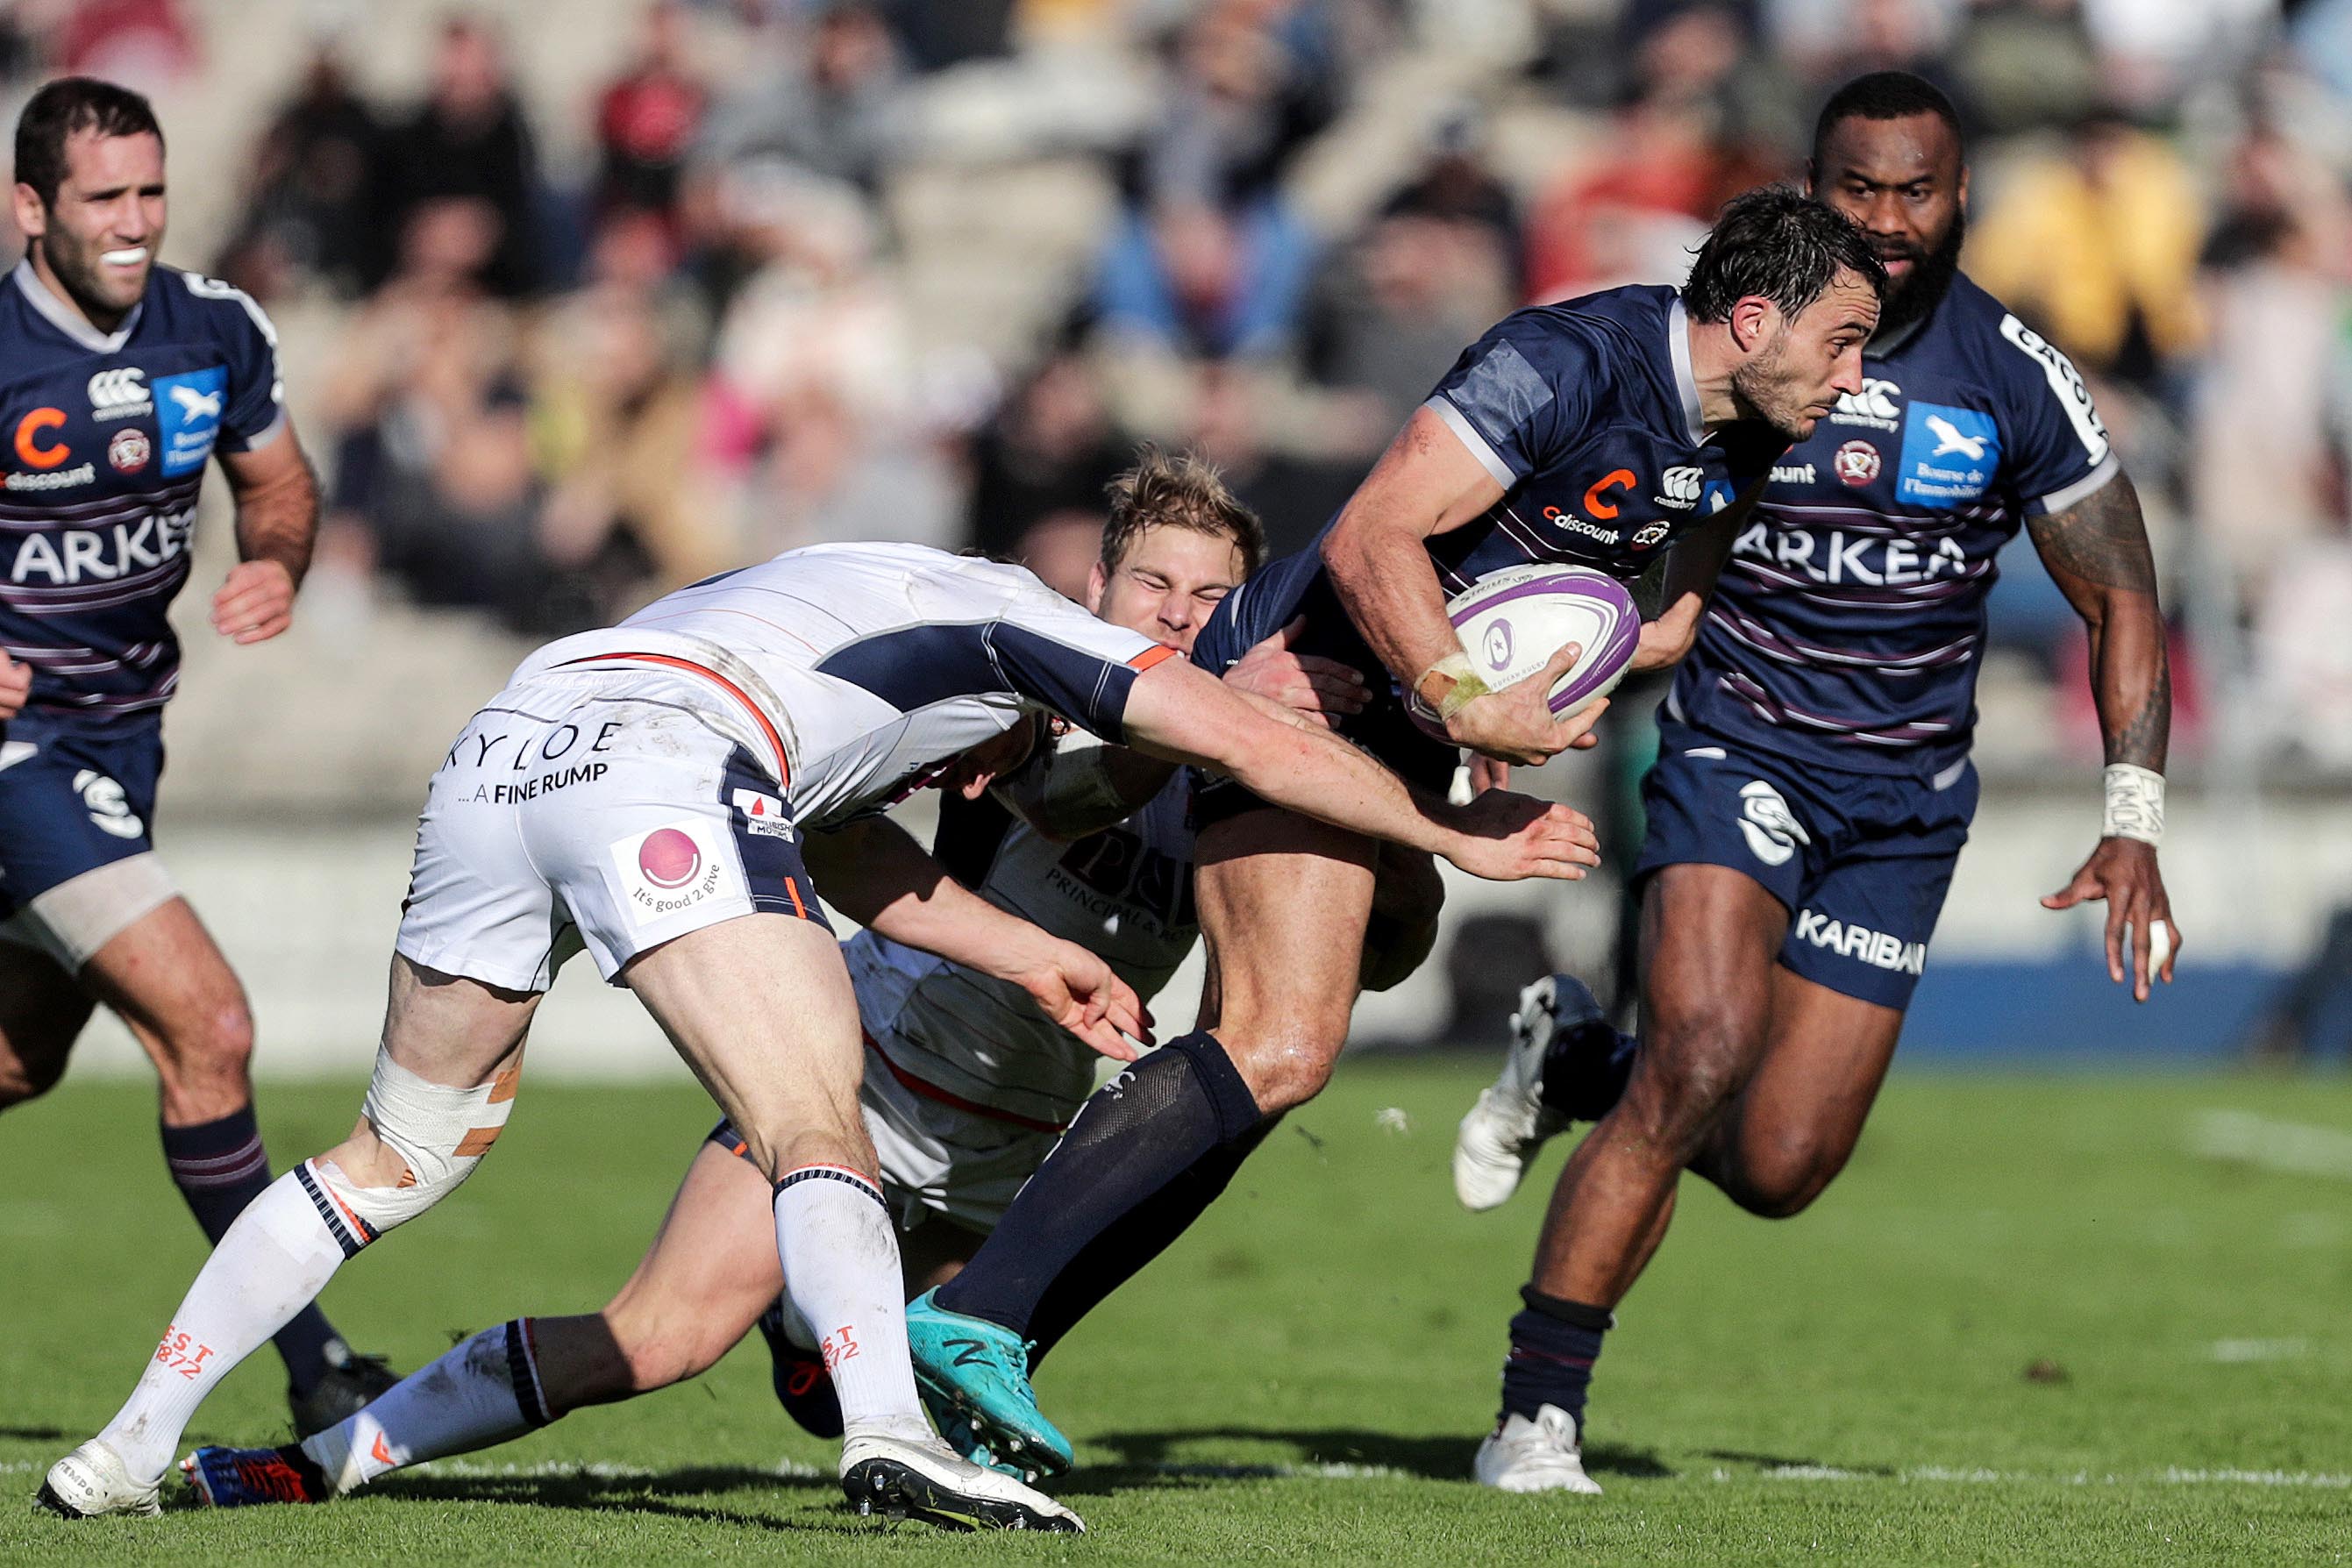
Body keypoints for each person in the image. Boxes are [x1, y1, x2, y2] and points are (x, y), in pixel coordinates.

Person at [40, 532, 1598, 1528]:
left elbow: (851, 848)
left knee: (401, 1152)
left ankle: (137, 1446)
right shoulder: (1028, 640)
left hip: (517, 739)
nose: (1174, 628)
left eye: (1208, 596)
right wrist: (1455, 826)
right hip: (674, 767)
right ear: (1096, 593)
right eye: (1154, 597)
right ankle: (883, 1435)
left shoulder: (891, 610)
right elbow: (1228, 729)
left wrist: (1025, 950)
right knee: (814, 1129)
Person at [899, 187, 1888, 1478]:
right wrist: (1472, 698)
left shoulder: (1745, 439)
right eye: (1844, 340)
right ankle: (969, 1316)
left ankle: (994, 1342)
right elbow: (1376, 533)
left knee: (1263, 1060)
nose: (1856, 379)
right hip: (1305, 684)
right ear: (1751, 319)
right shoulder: (1564, 359)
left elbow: (1660, 625)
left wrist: (1548, 689)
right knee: (1279, 1044)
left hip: (1413, 729)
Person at [1450, 72, 2178, 1495]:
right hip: (1739, 747)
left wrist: (2130, 818)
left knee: (1778, 1165)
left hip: (1901, 808)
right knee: (1704, 1054)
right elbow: (1604, 498)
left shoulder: (2011, 372)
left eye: (1919, 192)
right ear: (1809, 186)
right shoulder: (1749, 343)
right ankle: (1534, 1418)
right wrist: (1514, 668)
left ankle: (1580, 1058)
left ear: (1962, 195)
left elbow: (2123, 598)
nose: (1891, 221)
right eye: (1860, 190)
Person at [0, 76, 396, 1433]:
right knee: (210, 1029)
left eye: (149, 192)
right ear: (29, 206)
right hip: (14, 749)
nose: (133, 222)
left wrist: (275, 565)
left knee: (18, 1063)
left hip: (123, 738)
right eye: (102, 198)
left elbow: (277, 483)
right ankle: (315, 1365)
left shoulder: (212, 327)